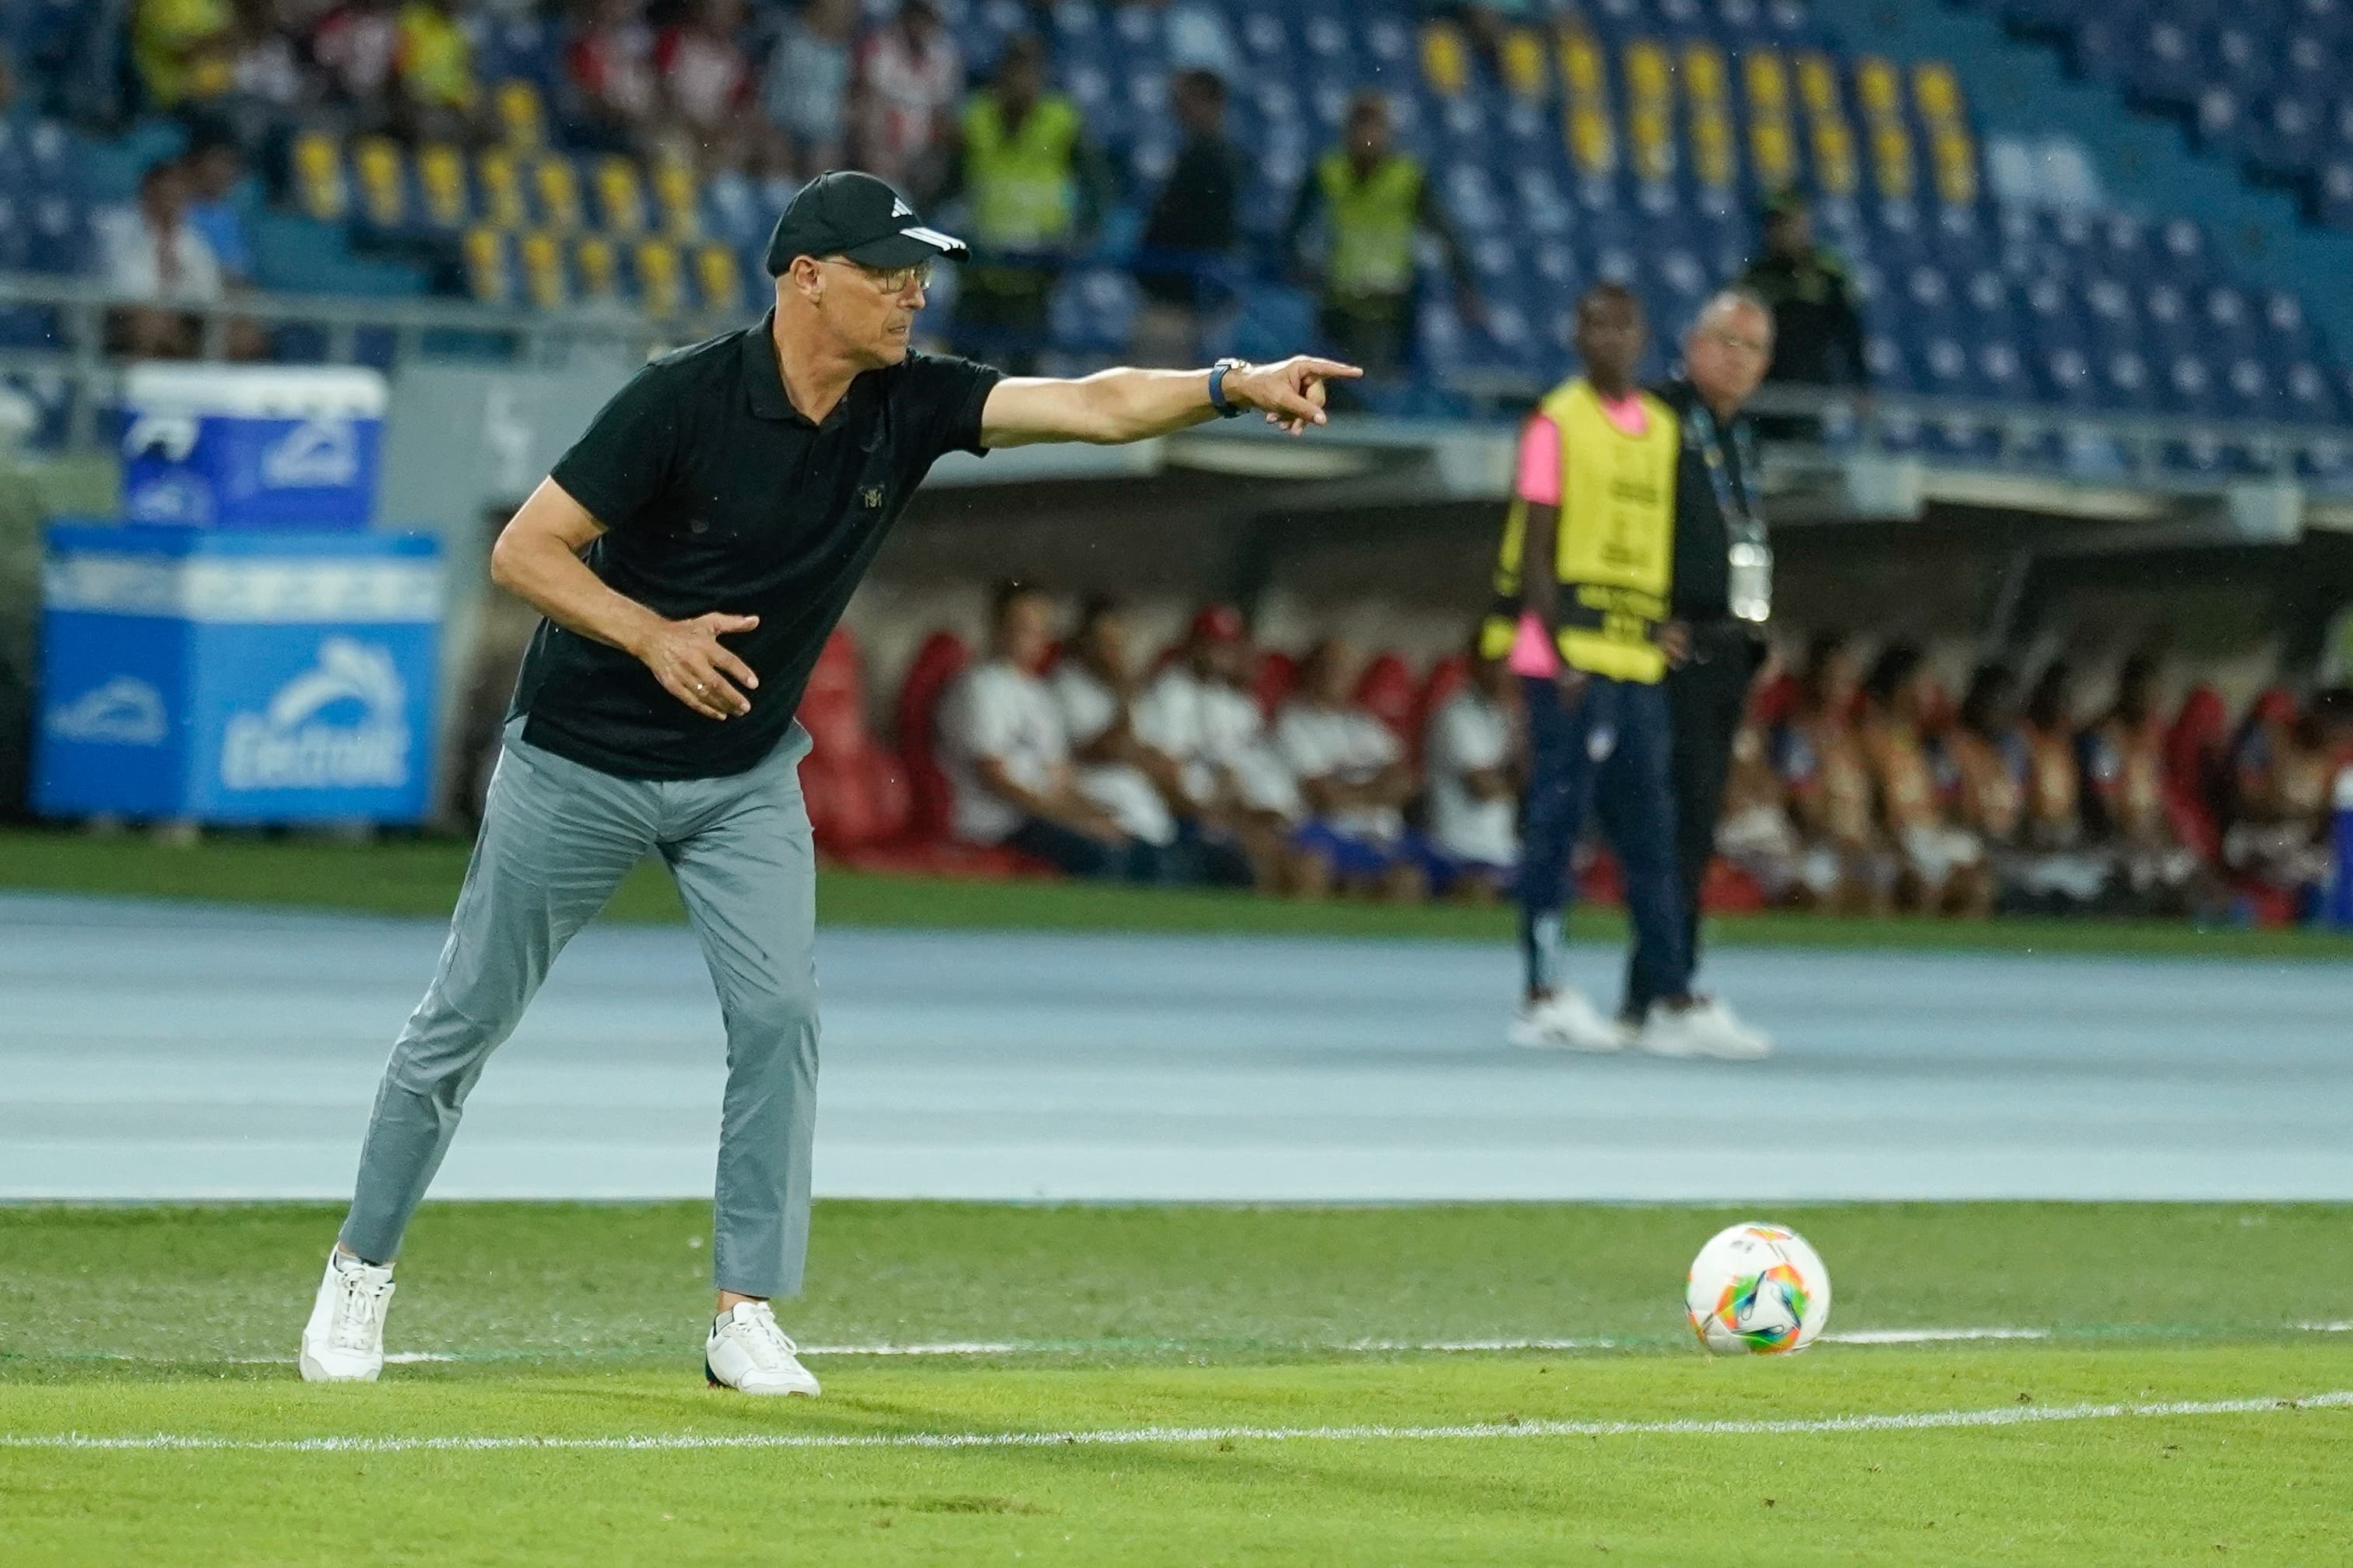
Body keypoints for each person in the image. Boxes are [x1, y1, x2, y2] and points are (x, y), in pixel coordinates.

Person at [297, 169, 1359, 1395]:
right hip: (580, 759)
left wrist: (1230, 385)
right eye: (889, 271)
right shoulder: (678, 399)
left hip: (742, 775)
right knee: (462, 1022)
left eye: (921, 271)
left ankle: (741, 1310)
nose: (916, 291)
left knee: (781, 1017)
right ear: (809, 277)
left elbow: (1096, 404)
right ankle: (360, 1273)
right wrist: (651, 633)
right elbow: (524, 549)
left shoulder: (905, 404)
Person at [1486, 283, 1767, 1058]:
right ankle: (1541, 991)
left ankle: (1669, 993)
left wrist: (1664, 623)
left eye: (1621, 325)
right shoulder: (1556, 421)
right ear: (1576, 335)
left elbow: (1657, 545)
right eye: (1593, 324)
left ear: (1641, 336)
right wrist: (1555, 644)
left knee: (1653, 832)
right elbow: (1535, 545)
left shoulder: (1657, 431)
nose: (1607, 338)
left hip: (1635, 657)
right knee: (1555, 821)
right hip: (1568, 656)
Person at [1617, 288, 1775, 1024]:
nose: (1738, 359)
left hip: (1725, 648)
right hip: (1667, 650)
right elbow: (1624, 519)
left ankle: (1662, 985)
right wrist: (1642, 616)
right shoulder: (1657, 418)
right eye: (1726, 341)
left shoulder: (1740, 435)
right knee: (1665, 822)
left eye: (1753, 348)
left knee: (1697, 825)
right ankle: (1664, 985)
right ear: (1692, 343)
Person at [940, 581, 1165, 879]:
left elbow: (1060, 778)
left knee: (1144, 850)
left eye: (1042, 630)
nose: (1036, 639)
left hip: (1039, 816)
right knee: (1105, 857)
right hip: (996, 822)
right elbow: (997, 780)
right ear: (998, 628)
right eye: (1025, 628)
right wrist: (1074, 818)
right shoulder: (978, 687)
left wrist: (1095, 814)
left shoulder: (1038, 694)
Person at [1285, 91, 1479, 397]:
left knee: (1376, 385)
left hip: (1390, 303)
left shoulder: (1408, 177)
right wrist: (1300, 268)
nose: (1368, 138)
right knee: (1335, 383)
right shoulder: (1328, 170)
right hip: (1340, 299)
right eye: (1361, 128)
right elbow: (1293, 227)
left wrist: (1466, 284)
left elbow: (1446, 232)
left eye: (1376, 129)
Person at [1047, 595, 1250, 884]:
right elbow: (1106, 750)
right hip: (1098, 799)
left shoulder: (1118, 689)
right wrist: (1126, 701)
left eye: (1118, 642)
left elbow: (1149, 755)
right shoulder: (1069, 684)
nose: (1114, 651)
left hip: (1148, 813)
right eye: (1104, 642)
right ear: (1084, 641)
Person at [941, 32, 1109, 374]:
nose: (1022, 81)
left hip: (1034, 270)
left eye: (1031, 71)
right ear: (1002, 74)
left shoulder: (1061, 120)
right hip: (981, 264)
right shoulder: (976, 117)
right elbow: (948, 182)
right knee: (960, 370)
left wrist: (1081, 235)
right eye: (1016, 70)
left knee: (1024, 375)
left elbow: (1097, 185)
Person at [1132, 605, 1316, 893]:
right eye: (1213, 644)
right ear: (1193, 644)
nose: (1221, 653)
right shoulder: (1168, 693)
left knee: (1308, 862)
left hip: (1235, 813)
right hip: (1189, 818)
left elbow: (1247, 770)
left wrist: (1251, 812)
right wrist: (1217, 814)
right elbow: (1161, 771)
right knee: (1264, 859)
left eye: (1228, 645)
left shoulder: (1236, 703)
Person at [1274, 637, 1428, 900]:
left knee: (1409, 878)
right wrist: (1378, 790)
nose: (1337, 677)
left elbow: (1406, 784)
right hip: (1328, 834)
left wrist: (1351, 791)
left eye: (1344, 669)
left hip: (1381, 836)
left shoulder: (1366, 726)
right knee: (1311, 867)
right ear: (1312, 672)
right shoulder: (1294, 721)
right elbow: (1326, 798)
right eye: (1329, 668)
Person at [1855, 642, 1990, 916]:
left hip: (1928, 836)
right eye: (1925, 683)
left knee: (1977, 881)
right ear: (1902, 688)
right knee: (1924, 889)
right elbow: (1877, 807)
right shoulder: (1872, 739)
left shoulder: (1917, 741)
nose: (1933, 693)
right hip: (1900, 841)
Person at [2078, 654, 2210, 915]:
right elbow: (2104, 807)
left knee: (2197, 878)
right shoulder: (2105, 739)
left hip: (2149, 839)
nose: (2151, 702)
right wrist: (2140, 840)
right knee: (2148, 882)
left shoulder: (2153, 738)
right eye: (2143, 693)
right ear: (2126, 692)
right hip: (2114, 841)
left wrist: (2169, 837)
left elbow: (2157, 799)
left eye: (2154, 693)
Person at [1130, 68, 1242, 367]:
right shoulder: (1195, 151)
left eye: (1187, 99)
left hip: (1182, 298)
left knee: (1161, 389)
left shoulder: (1212, 157)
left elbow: (1208, 231)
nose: (1177, 107)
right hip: (1171, 290)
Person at [1774, 631, 1891, 914]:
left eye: (1849, 681)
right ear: (1815, 680)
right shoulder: (1799, 737)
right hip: (1819, 848)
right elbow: (1802, 810)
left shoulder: (1853, 739)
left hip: (1858, 847)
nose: (1843, 689)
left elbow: (1871, 807)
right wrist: (1841, 846)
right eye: (1835, 679)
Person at [1737, 192, 1868, 423]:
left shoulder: (1827, 275)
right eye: (1774, 224)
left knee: (1806, 453)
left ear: (1804, 223)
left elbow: (1850, 334)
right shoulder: (1754, 277)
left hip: (1811, 390)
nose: (1780, 231)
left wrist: (1862, 385)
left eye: (1787, 222)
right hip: (1763, 393)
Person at [1421, 634, 1521, 902]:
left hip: (1503, 850)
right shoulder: (1455, 714)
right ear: (1475, 664)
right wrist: (1524, 775)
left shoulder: (1508, 717)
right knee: (1479, 892)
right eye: (1495, 662)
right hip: (1457, 849)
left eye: (1508, 661)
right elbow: (1483, 788)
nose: (1505, 670)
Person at [96, 158, 228, 359]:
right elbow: (121, 284)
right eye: (166, 194)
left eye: (179, 196)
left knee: (237, 332)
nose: (172, 202)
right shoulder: (114, 227)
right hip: (121, 317)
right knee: (148, 323)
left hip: (178, 320)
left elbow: (208, 291)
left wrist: (173, 311)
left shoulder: (194, 241)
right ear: (149, 192)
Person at [852, 0, 961, 201]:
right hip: (883, 144)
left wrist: (931, 152)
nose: (919, 26)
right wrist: (880, 147)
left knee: (935, 168)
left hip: (922, 150)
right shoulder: (881, 46)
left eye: (926, 19)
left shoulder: (944, 54)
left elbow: (942, 113)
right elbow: (869, 101)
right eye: (916, 17)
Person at [763, 0, 855, 180]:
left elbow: (846, 100)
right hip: (781, 127)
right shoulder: (790, 41)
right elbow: (770, 91)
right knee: (775, 154)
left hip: (824, 137)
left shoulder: (844, 54)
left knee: (824, 161)